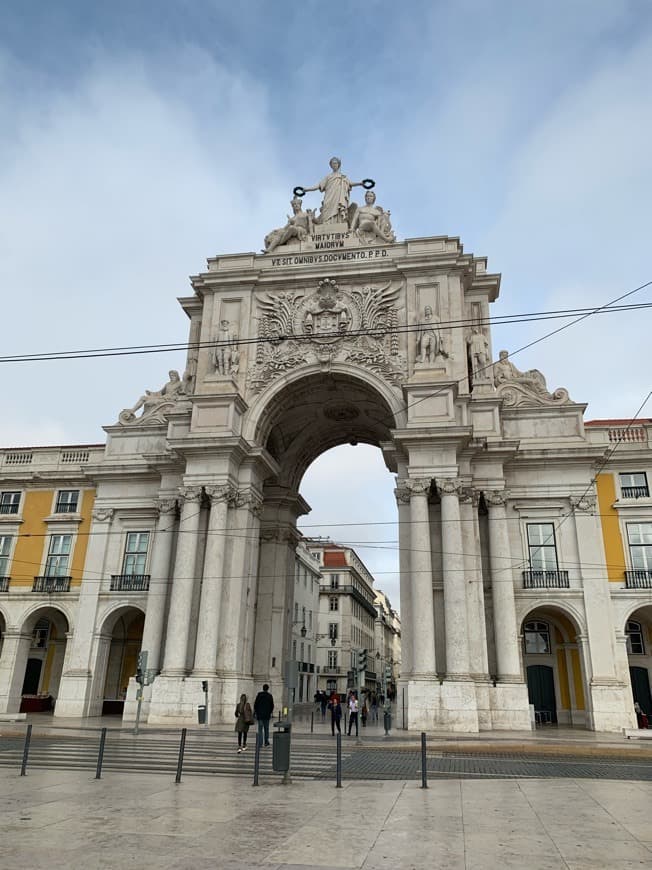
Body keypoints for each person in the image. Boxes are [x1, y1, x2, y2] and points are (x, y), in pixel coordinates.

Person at [302, 157, 364, 225]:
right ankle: (327, 223)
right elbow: (318, 186)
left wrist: (360, 183)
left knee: (339, 208)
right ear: (331, 165)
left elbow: (350, 183)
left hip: (339, 196)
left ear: (338, 164)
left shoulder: (343, 177)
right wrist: (307, 189)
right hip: (329, 196)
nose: (334, 165)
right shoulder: (328, 177)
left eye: (335, 163)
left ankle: (339, 223)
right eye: (332, 163)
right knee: (326, 209)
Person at [253, 683, 274, 747]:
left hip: (260, 715)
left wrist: (256, 712)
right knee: (266, 729)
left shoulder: (259, 695)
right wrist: (269, 712)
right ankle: (266, 742)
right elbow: (272, 706)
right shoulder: (269, 696)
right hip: (266, 716)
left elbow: (255, 704)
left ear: (263, 688)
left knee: (260, 729)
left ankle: (260, 743)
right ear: (268, 689)